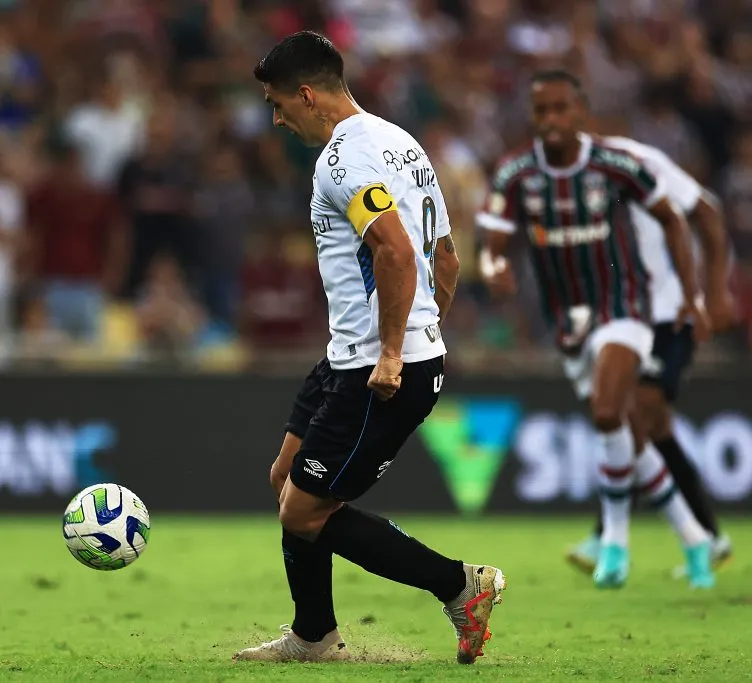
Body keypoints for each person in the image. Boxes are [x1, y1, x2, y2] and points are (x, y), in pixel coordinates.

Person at [234, 31, 506, 666]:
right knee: (287, 482)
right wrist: (430, 325)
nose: (276, 118)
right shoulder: (403, 144)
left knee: (303, 511)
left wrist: (395, 350)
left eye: (278, 104)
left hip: (378, 363)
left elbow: (396, 249)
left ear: (307, 94)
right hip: (349, 353)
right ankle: (313, 636)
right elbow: (445, 253)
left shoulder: (343, 160)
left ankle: (460, 586)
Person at [476, 70, 714, 590]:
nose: (553, 120)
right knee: (626, 429)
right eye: (543, 111)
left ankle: (615, 545)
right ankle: (694, 537)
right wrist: (495, 269)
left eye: (562, 109)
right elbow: (491, 245)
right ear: (533, 117)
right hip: (569, 318)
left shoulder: (617, 165)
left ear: (581, 112)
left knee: (608, 412)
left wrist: (693, 293)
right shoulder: (515, 174)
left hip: (625, 303)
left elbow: (674, 220)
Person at [564, 131, 734, 579]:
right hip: (617, 311)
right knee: (644, 421)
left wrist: (713, 293)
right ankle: (704, 535)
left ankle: (613, 534)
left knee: (642, 410)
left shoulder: (637, 159)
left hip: (667, 310)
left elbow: (707, 213)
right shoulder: (559, 181)